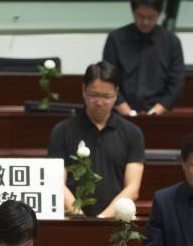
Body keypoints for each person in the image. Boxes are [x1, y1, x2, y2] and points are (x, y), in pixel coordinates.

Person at [47, 62, 145, 217]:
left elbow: (133, 188)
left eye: (106, 96)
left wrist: (102, 219)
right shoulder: (62, 131)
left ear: (116, 93)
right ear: (84, 91)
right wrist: (79, 217)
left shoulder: (132, 133)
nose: (99, 102)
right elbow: (57, 182)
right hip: (72, 221)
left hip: (114, 220)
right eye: (94, 95)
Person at [103, 0, 185, 116]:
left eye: (151, 17)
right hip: (120, 113)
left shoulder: (171, 42)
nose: (145, 22)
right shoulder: (115, 39)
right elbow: (108, 80)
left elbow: (176, 83)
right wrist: (128, 112)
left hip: (158, 115)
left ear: (159, 14)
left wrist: (155, 112)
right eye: (140, 16)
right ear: (133, 11)